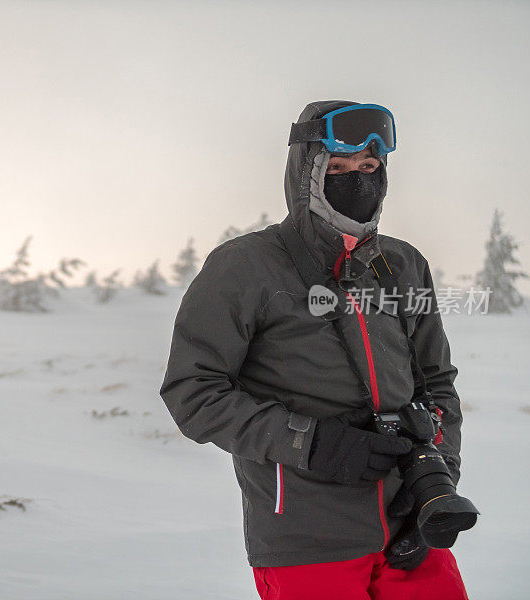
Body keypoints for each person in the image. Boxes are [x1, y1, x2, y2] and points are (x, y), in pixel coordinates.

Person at [159, 100, 470, 599]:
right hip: (306, 537)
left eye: (369, 167)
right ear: (306, 174)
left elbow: (437, 385)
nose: (358, 181)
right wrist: (312, 443)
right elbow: (193, 393)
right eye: (339, 169)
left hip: (409, 527)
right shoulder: (246, 267)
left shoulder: (402, 264)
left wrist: (437, 483)